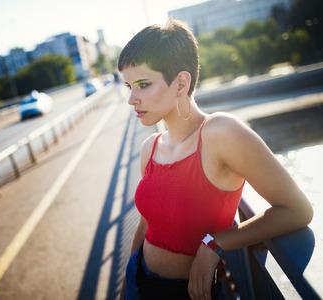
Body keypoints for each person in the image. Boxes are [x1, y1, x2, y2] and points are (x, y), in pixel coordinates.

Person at [117, 18, 313, 300]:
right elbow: (147, 223)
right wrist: (127, 283)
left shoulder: (220, 133)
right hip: (138, 281)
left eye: (143, 84)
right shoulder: (151, 146)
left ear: (181, 82)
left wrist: (216, 243)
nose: (132, 99)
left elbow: (297, 210)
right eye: (128, 86)